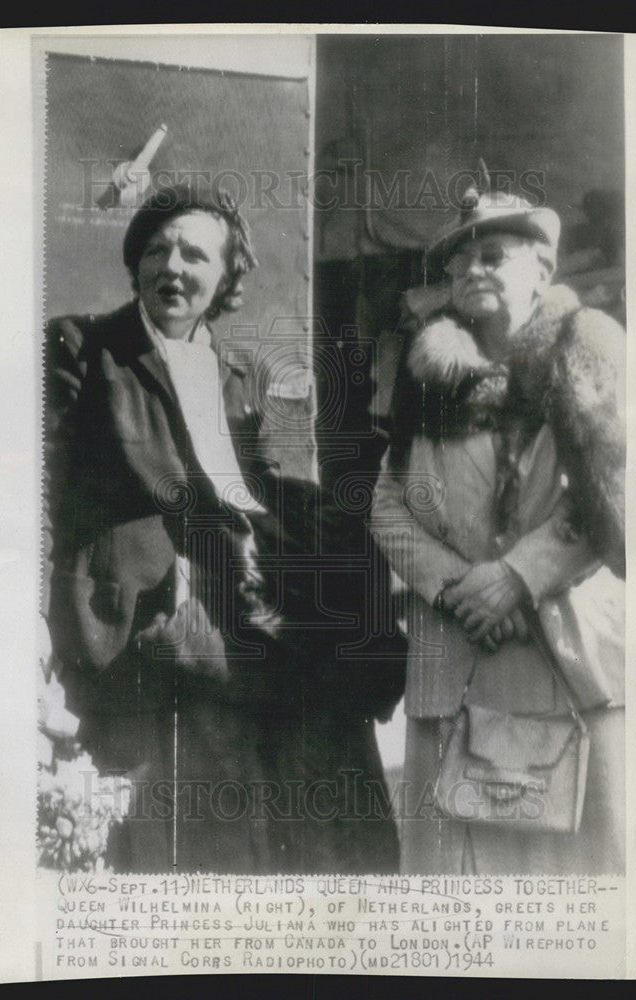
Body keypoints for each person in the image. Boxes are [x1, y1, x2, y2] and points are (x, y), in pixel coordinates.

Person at [44, 180, 403, 874]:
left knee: (321, 737)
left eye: (195, 256)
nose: (172, 267)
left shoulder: (240, 373)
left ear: (225, 277)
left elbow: (269, 492)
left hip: (237, 597)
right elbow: (42, 485)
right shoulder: (84, 348)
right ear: (136, 261)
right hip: (150, 609)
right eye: (157, 250)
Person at [370, 180, 625, 875]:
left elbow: (614, 493)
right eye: (461, 261)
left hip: (560, 650)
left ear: (542, 269)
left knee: (577, 883)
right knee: (451, 886)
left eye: (493, 255)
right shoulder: (430, 371)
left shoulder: (590, 350)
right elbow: (387, 504)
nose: (473, 270)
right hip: (454, 648)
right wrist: (461, 587)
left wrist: (516, 577)